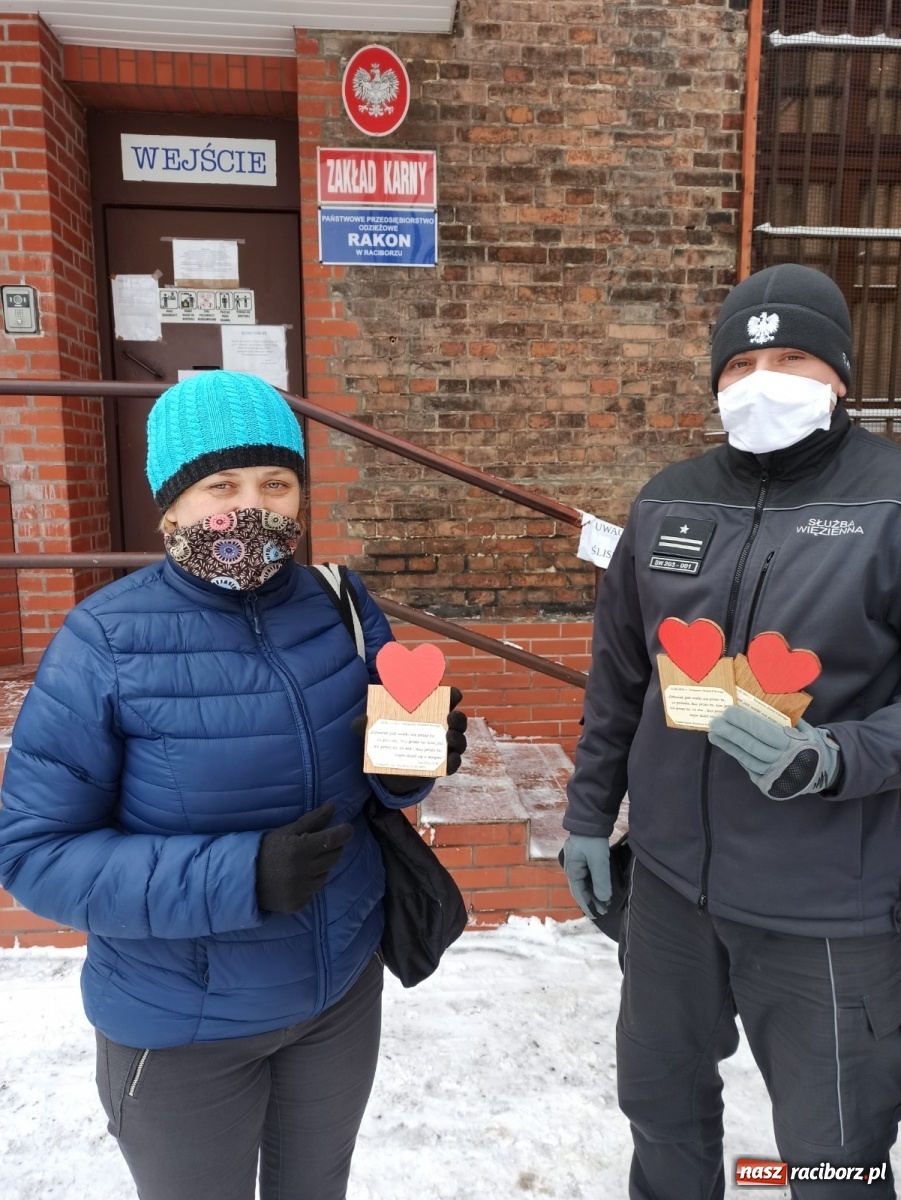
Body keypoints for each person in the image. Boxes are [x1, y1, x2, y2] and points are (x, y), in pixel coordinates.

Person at [0, 370, 467, 1200]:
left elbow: (379, 771)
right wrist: (238, 876)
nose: (252, 507)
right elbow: (35, 854)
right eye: (221, 485)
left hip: (335, 997)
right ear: (171, 505)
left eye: (275, 483)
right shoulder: (104, 640)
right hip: (183, 1025)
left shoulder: (338, 604)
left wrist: (405, 770)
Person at [561, 264, 901, 1199]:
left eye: (790, 358)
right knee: (659, 1111)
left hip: (827, 908)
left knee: (834, 1159)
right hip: (672, 890)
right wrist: (588, 815)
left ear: (839, 375)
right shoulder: (667, 500)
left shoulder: (890, 502)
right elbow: (619, 680)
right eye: (740, 365)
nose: (762, 382)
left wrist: (834, 758)